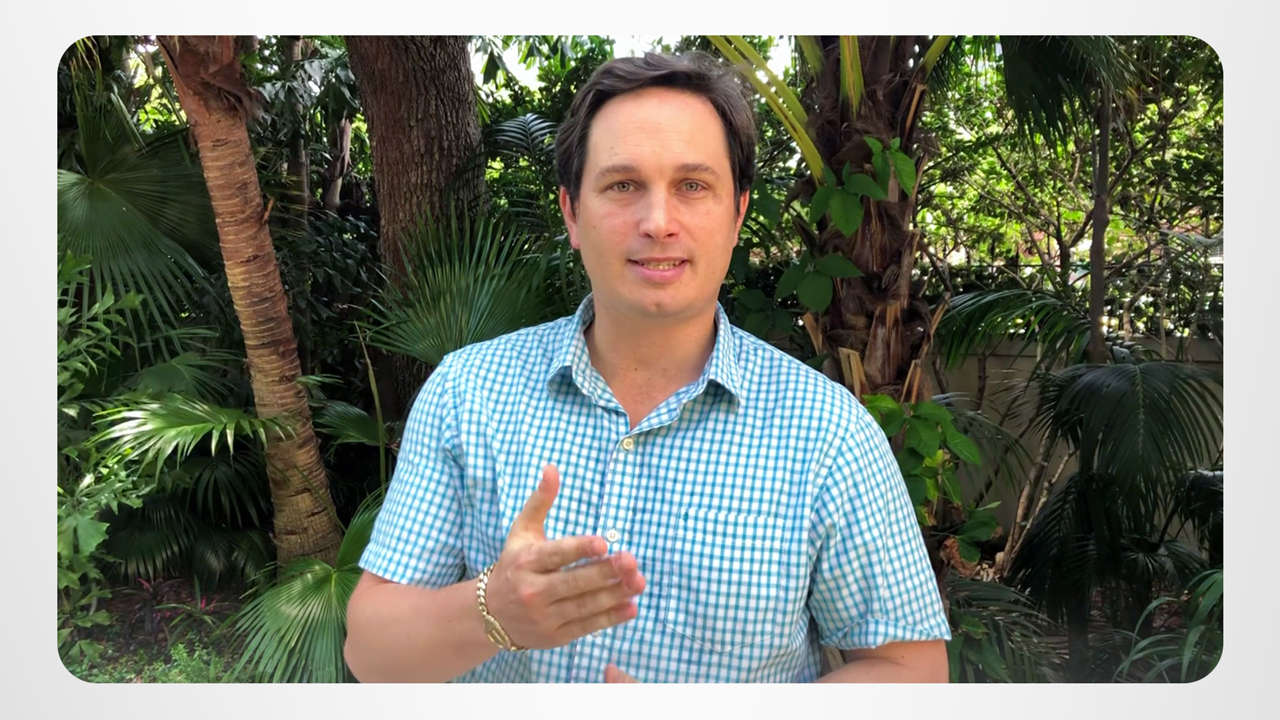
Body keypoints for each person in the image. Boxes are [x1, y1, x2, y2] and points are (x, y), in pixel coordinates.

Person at [343, 51, 951, 683]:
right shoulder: (468, 393)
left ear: (738, 214)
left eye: (692, 186)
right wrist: (491, 613)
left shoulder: (829, 435)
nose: (658, 223)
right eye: (623, 185)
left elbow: (911, 671)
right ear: (572, 213)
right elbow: (370, 652)